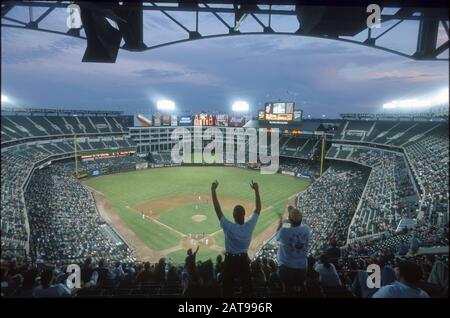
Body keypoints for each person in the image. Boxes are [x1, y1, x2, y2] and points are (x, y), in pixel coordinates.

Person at [211, 179, 261, 296]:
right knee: (247, 288)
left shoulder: (229, 227)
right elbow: (258, 209)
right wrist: (256, 190)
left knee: (227, 288)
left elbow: (217, 209)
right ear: (244, 214)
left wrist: (213, 189)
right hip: (244, 260)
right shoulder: (250, 226)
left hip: (230, 260)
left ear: (233, 216)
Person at [276, 206, 311, 295]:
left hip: (286, 266)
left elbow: (277, 235)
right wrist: (289, 220)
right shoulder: (306, 229)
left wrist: (281, 221)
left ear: (290, 220)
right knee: (300, 289)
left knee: (287, 289)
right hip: (302, 266)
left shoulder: (284, 232)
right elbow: (299, 226)